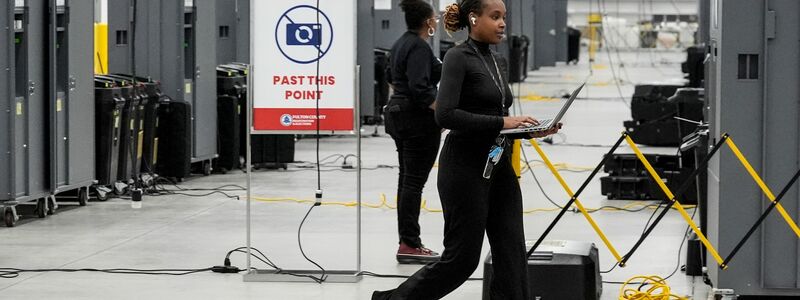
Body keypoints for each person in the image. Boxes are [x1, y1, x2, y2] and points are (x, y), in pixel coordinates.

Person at [373, 0, 560, 299]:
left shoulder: (499, 61)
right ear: (474, 19)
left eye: (504, 17)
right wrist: (503, 122)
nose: (502, 24)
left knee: (511, 253)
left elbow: (498, 119)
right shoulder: (457, 58)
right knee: (461, 260)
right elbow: (444, 115)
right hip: (464, 168)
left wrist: (528, 131)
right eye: (495, 17)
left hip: (498, 166)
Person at [383, 0, 443, 264]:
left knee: (406, 180)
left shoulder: (400, 44)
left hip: (398, 115)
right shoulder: (419, 46)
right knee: (413, 183)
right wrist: (443, 111)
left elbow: (390, 76)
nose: (437, 22)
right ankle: (410, 243)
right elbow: (421, 88)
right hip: (417, 121)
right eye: (435, 19)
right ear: (427, 22)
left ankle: (406, 242)